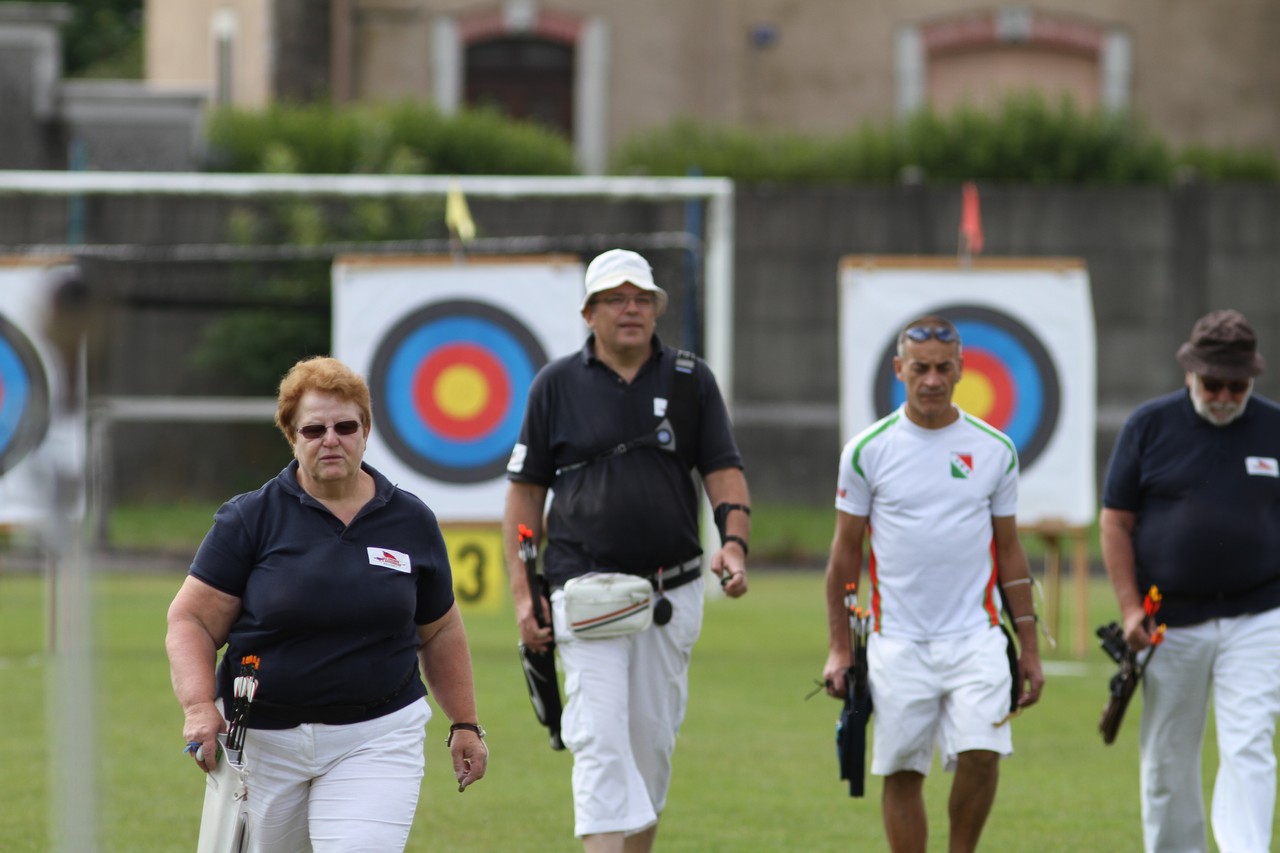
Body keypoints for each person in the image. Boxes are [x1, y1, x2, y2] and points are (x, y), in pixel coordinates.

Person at [165, 356, 487, 852]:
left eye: (344, 426)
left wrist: (464, 722)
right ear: (290, 436)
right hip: (264, 743)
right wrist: (199, 707)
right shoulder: (250, 518)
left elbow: (440, 629)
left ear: (366, 430)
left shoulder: (411, 520)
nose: (330, 439)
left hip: (377, 735)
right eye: (313, 429)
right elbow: (191, 620)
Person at [503, 248, 751, 853]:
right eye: (616, 299)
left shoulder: (692, 379)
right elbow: (525, 495)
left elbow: (723, 470)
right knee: (598, 734)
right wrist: (521, 592)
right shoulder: (555, 384)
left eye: (642, 299)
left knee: (649, 741)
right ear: (590, 313)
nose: (632, 309)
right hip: (582, 586)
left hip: (674, 586)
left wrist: (736, 546)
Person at [822, 315, 1044, 853]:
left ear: (962, 370)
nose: (932, 380)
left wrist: (1031, 647)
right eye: (920, 368)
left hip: (977, 635)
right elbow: (845, 555)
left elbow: (1010, 551)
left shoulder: (994, 449)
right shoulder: (867, 450)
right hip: (897, 639)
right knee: (902, 771)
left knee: (983, 752)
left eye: (944, 368)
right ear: (899, 369)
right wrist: (838, 648)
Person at [1100, 309, 1280, 853]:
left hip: (1260, 615)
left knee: (1250, 743)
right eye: (1213, 384)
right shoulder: (1148, 426)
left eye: (1237, 385)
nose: (1224, 396)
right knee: (1168, 758)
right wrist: (1132, 609)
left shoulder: (1275, 426)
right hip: (1169, 620)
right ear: (1189, 372)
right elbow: (1115, 521)